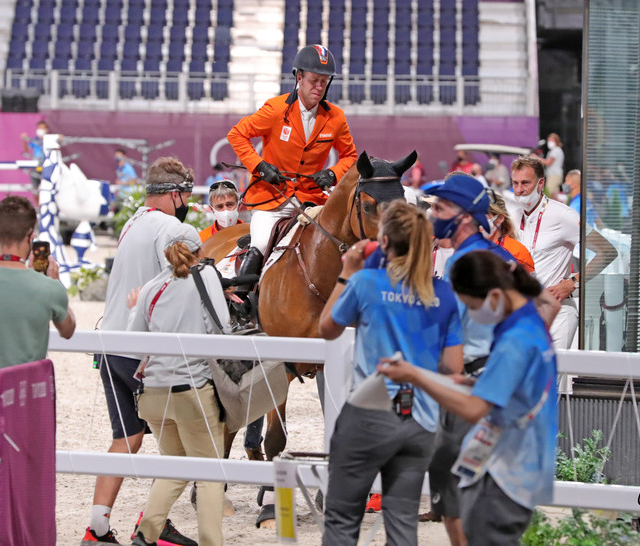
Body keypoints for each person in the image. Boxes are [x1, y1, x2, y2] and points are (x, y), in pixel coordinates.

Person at [378, 250, 558, 546]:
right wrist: (470, 382)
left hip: (503, 471)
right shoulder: (529, 324)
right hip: (523, 462)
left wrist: (416, 376)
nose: (472, 315)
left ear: (495, 295)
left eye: (472, 306)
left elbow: (475, 410)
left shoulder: (515, 340)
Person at [319, 200, 463, 546]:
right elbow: (453, 367)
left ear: (383, 242)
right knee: (402, 525)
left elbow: (327, 327)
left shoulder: (366, 282)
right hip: (419, 419)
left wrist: (346, 272)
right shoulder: (442, 293)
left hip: (370, 410)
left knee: (341, 519)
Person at [82, 157, 196, 545]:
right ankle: (153, 525)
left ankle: (97, 527)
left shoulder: (132, 222)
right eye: (185, 196)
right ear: (175, 194)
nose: (187, 204)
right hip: (143, 352)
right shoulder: (172, 228)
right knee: (176, 444)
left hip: (111, 344)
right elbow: (186, 286)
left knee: (127, 437)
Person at [419, 174, 528, 544]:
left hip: (470, 386)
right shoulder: (502, 255)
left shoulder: (463, 264)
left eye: (440, 207)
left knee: (456, 498)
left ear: (464, 216)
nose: (432, 214)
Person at [128, 224, 231, 546]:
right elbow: (222, 330)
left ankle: (145, 535)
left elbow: (133, 343)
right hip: (192, 391)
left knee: (174, 466)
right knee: (210, 474)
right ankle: (211, 542)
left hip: (155, 395)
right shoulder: (206, 277)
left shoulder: (150, 287)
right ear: (199, 249)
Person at [227, 44, 357, 278]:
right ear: (299, 77)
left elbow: (350, 157)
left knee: (335, 242)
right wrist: (260, 166)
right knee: (261, 244)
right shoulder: (275, 110)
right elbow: (236, 134)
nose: (319, 87)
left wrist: (332, 174)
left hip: (311, 200)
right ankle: (241, 297)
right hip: (272, 198)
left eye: (324, 81)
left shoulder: (336, 117)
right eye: (314, 80)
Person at [510, 155, 617, 354]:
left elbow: (607, 251)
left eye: (525, 183)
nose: (519, 189)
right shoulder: (513, 215)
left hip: (556, 312)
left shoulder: (563, 215)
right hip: (522, 312)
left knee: (549, 382)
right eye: (515, 183)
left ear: (541, 183)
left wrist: (572, 283)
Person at [0, 196, 75, 379]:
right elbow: (68, 330)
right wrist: (56, 283)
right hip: (24, 398)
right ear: (31, 237)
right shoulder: (48, 288)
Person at [485, 191, 535, 274]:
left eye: (484, 215)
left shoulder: (517, 252)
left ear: (500, 218)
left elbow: (530, 286)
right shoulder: (469, 246)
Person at [20, 120, 49, 190]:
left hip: (46, 167)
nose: (40, 130)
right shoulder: (34, 140)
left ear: (46, 130)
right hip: (35, 167)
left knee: (46, 188)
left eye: (42, 128)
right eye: (39, 128)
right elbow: (26, 150)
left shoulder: (50, 140)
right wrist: (24, 140)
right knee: (35, 189)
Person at [541, 133, 565, 197]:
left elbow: (549, 162)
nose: (549, 142)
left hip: (554, 175)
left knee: (549, 192)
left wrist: (537, 158)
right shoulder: (552, 151)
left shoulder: (556, 150)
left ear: (556, 141)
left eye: (551, 140)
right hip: (552, 174)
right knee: (554, 194)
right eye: (549, 141)